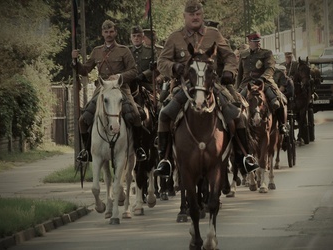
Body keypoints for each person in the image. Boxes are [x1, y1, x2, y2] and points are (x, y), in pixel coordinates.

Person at [153, 0, 255, 177]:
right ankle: (166, 160)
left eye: (198, 14)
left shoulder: (213, 34)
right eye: (191, 14)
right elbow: (162, 62)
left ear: (202, 15)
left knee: (237, 113)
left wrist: (230, 72)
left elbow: (230, 56)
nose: (195, 17)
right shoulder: (175, 37)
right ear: (185, 16)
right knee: (164, 114)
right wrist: (174, 68)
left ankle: (243, 156)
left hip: (211, 86)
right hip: (184, 87)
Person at [71, 20, 144, 162]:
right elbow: (85, 70)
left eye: (111, 31)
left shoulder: (124, 50)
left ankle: (139, 148)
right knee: (83, 120)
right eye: (106, 32)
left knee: (135, 115)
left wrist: (119, 76)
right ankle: (87, 151)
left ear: (115, 32)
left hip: (120, 88)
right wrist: (75, 61)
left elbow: (134, 71)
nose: (109, 34)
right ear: (102, 33)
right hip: (102, 90)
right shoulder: (97, 51)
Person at [235, 32, 288, 136]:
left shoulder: (267, 53)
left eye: (258, 41)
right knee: (236, 104)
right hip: (247, 84)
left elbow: (270, 68)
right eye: (255, 41)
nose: (258, 43)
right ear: (249, 42)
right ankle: (238, 129)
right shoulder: (243, 55)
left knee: (277, 100)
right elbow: (240, 74)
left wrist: (262, 79)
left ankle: (282, 125)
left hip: (265, 82)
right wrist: (237, 89)